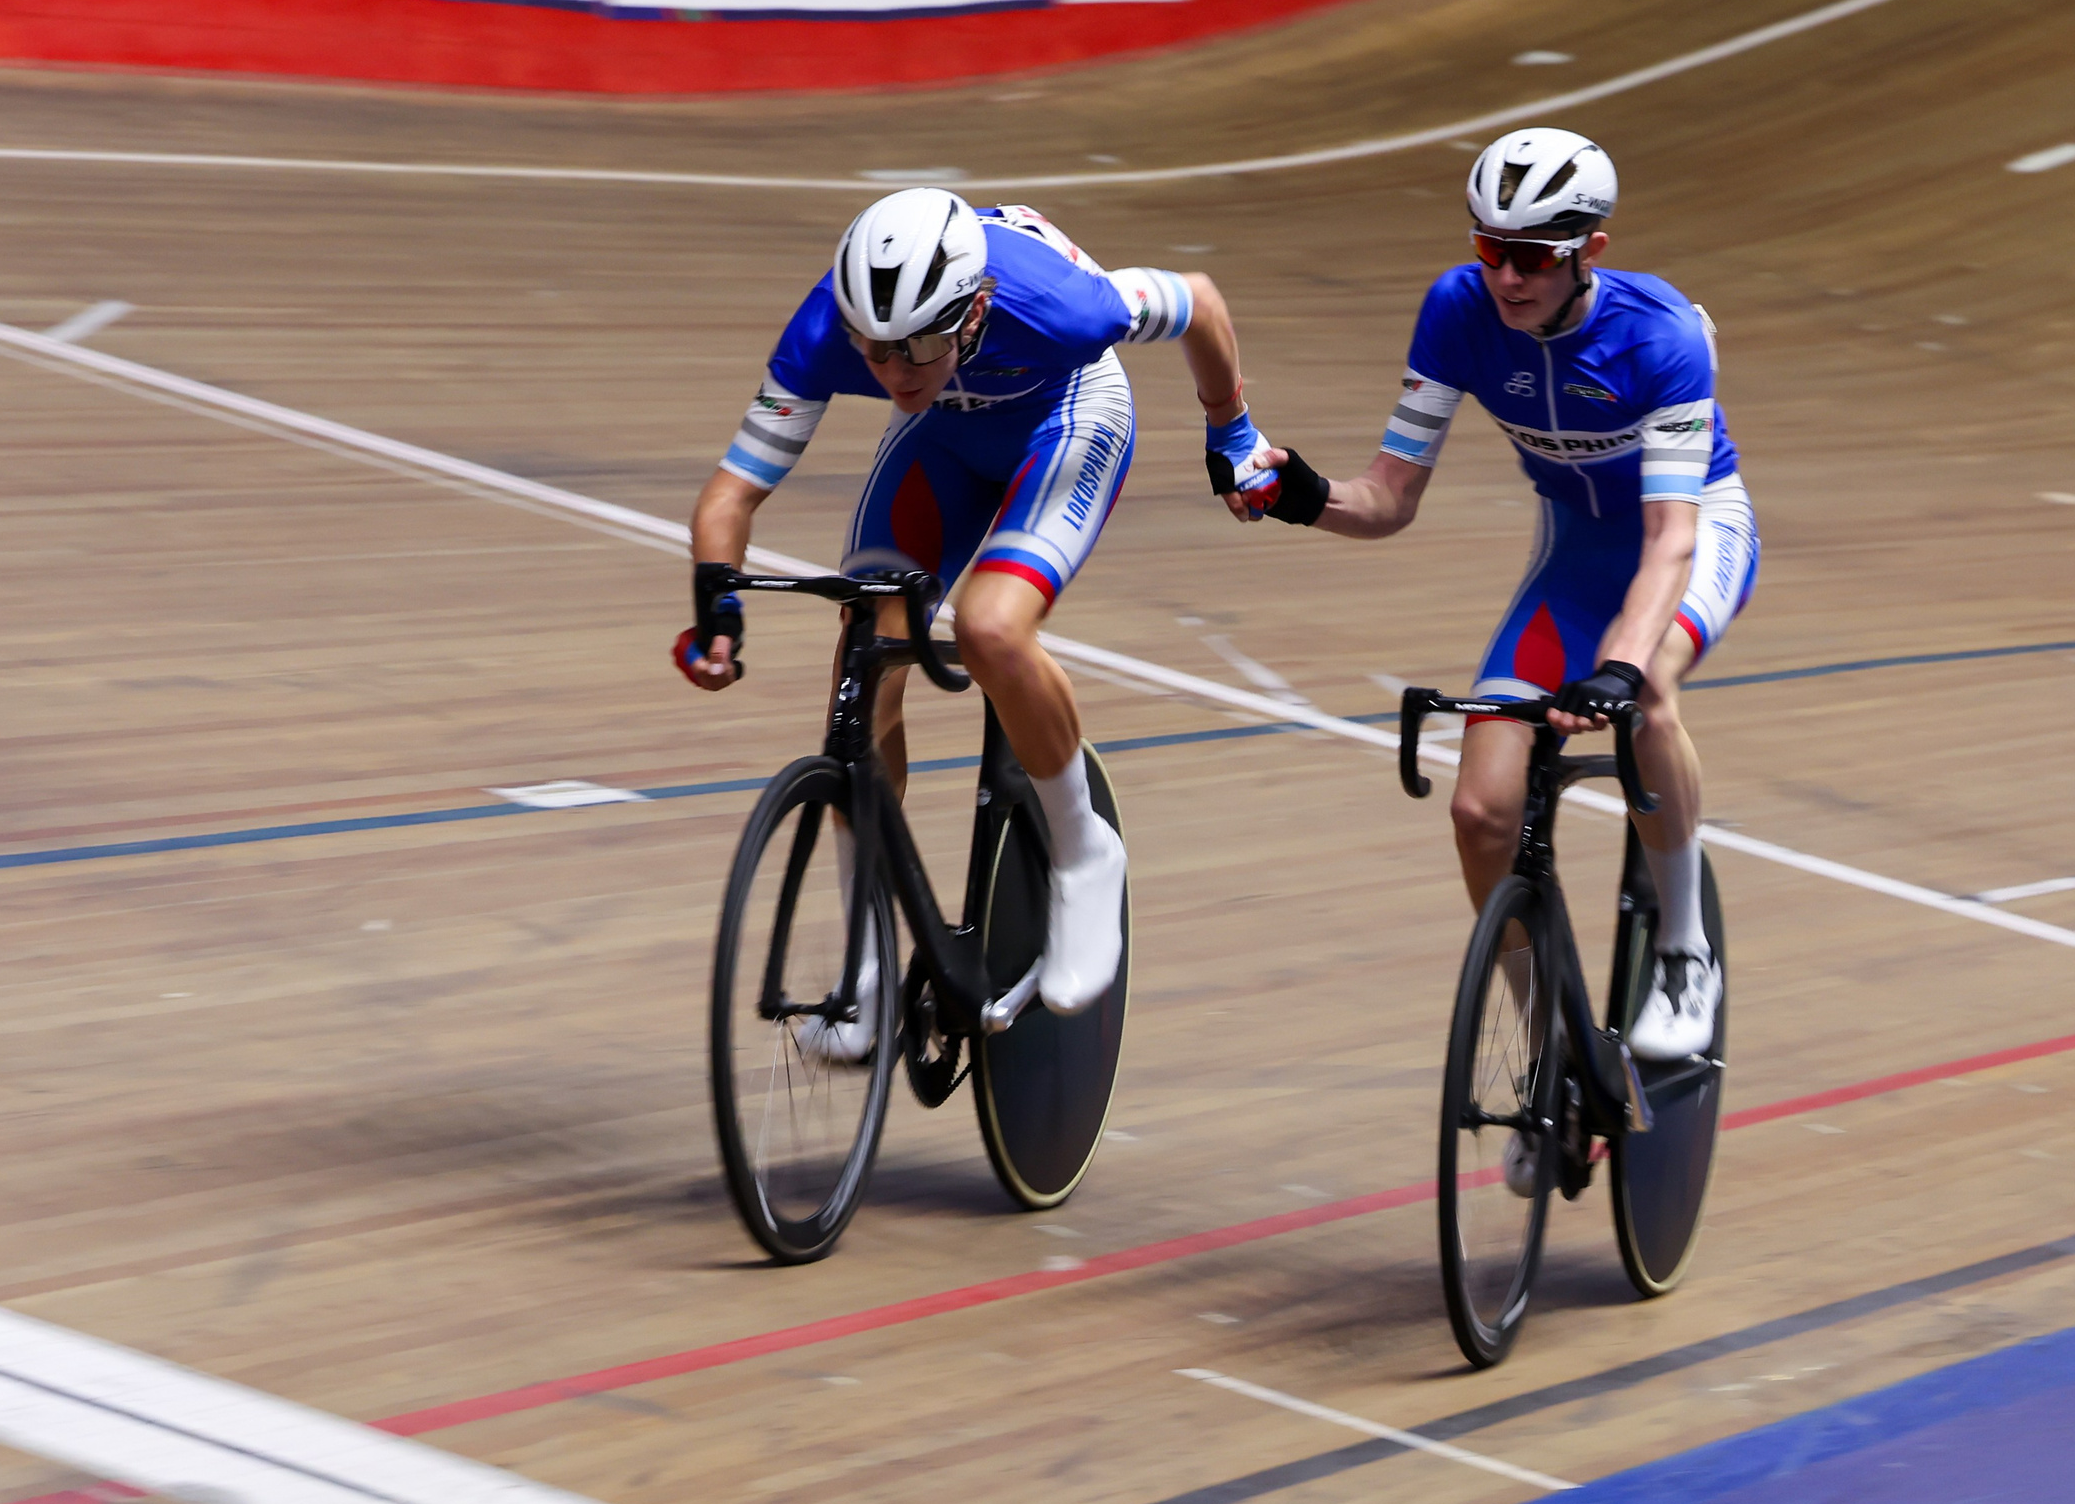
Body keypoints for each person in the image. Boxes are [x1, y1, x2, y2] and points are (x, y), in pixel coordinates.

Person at [1214, 127, 1757, 1065]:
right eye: (1490, 250)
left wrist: (1620, 669)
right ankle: (1551, 1048)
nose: (1509, 277)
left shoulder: (1659, 335)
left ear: (1591, 250)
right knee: (1480, 812)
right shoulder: (1456, 313)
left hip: (1695, 531)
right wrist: (1303, 494)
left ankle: (1682, 949)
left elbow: (1669, 541)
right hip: (1578, 555)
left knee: (1651, 693)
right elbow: (1388, 501)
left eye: (1534, 257)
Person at [681, 189, 1251, 1033]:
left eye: (917, 345)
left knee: (990, 626)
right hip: (945, 435)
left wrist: (1231, 434)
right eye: (874, 351)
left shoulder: (1062, 308)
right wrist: (716, 608)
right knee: (865, 656)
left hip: (1066, 416)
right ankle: (864, 973)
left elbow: (1199, 300)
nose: (893, 371)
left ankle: (1084, 849)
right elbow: (730, 496)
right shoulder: (830, 330)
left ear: (975, 310)